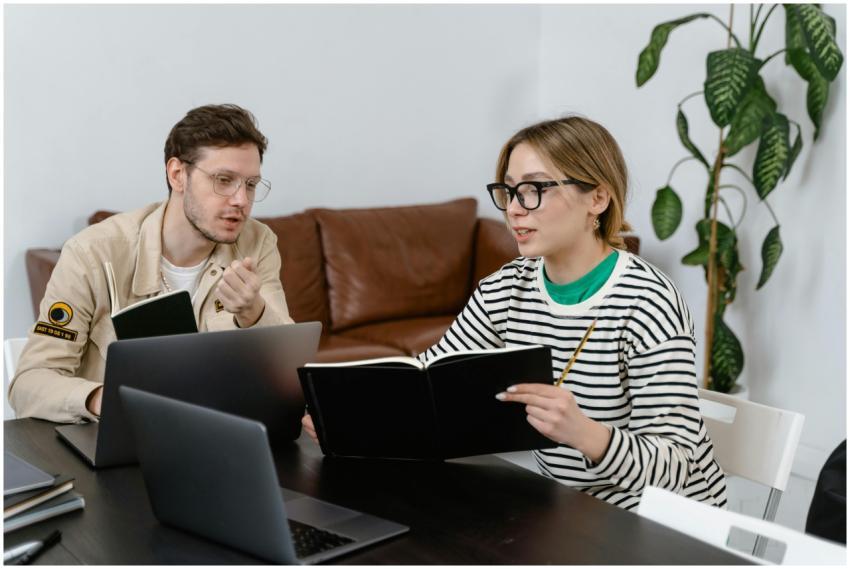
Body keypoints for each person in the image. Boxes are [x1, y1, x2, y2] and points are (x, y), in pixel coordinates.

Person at [302, 116, 726, 511]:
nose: (515, 209)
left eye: (536, 189)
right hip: (570, 513)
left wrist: (585, 433)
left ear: (597, 198)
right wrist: (355, 417)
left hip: (665, 527)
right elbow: (425, 381)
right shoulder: (507, 288)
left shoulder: (649, 303)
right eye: (509, 191)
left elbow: (677, 469)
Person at [10, 104, 294, 423]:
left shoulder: (258, 242)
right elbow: (29, 383)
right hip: (121, 440)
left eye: (251, 185)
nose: (241, 200)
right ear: (177, 175)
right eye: (224, 180)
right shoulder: (92, 253)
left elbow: (287, 366)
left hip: (220, 434)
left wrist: (253, 312)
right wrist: (103, 399)